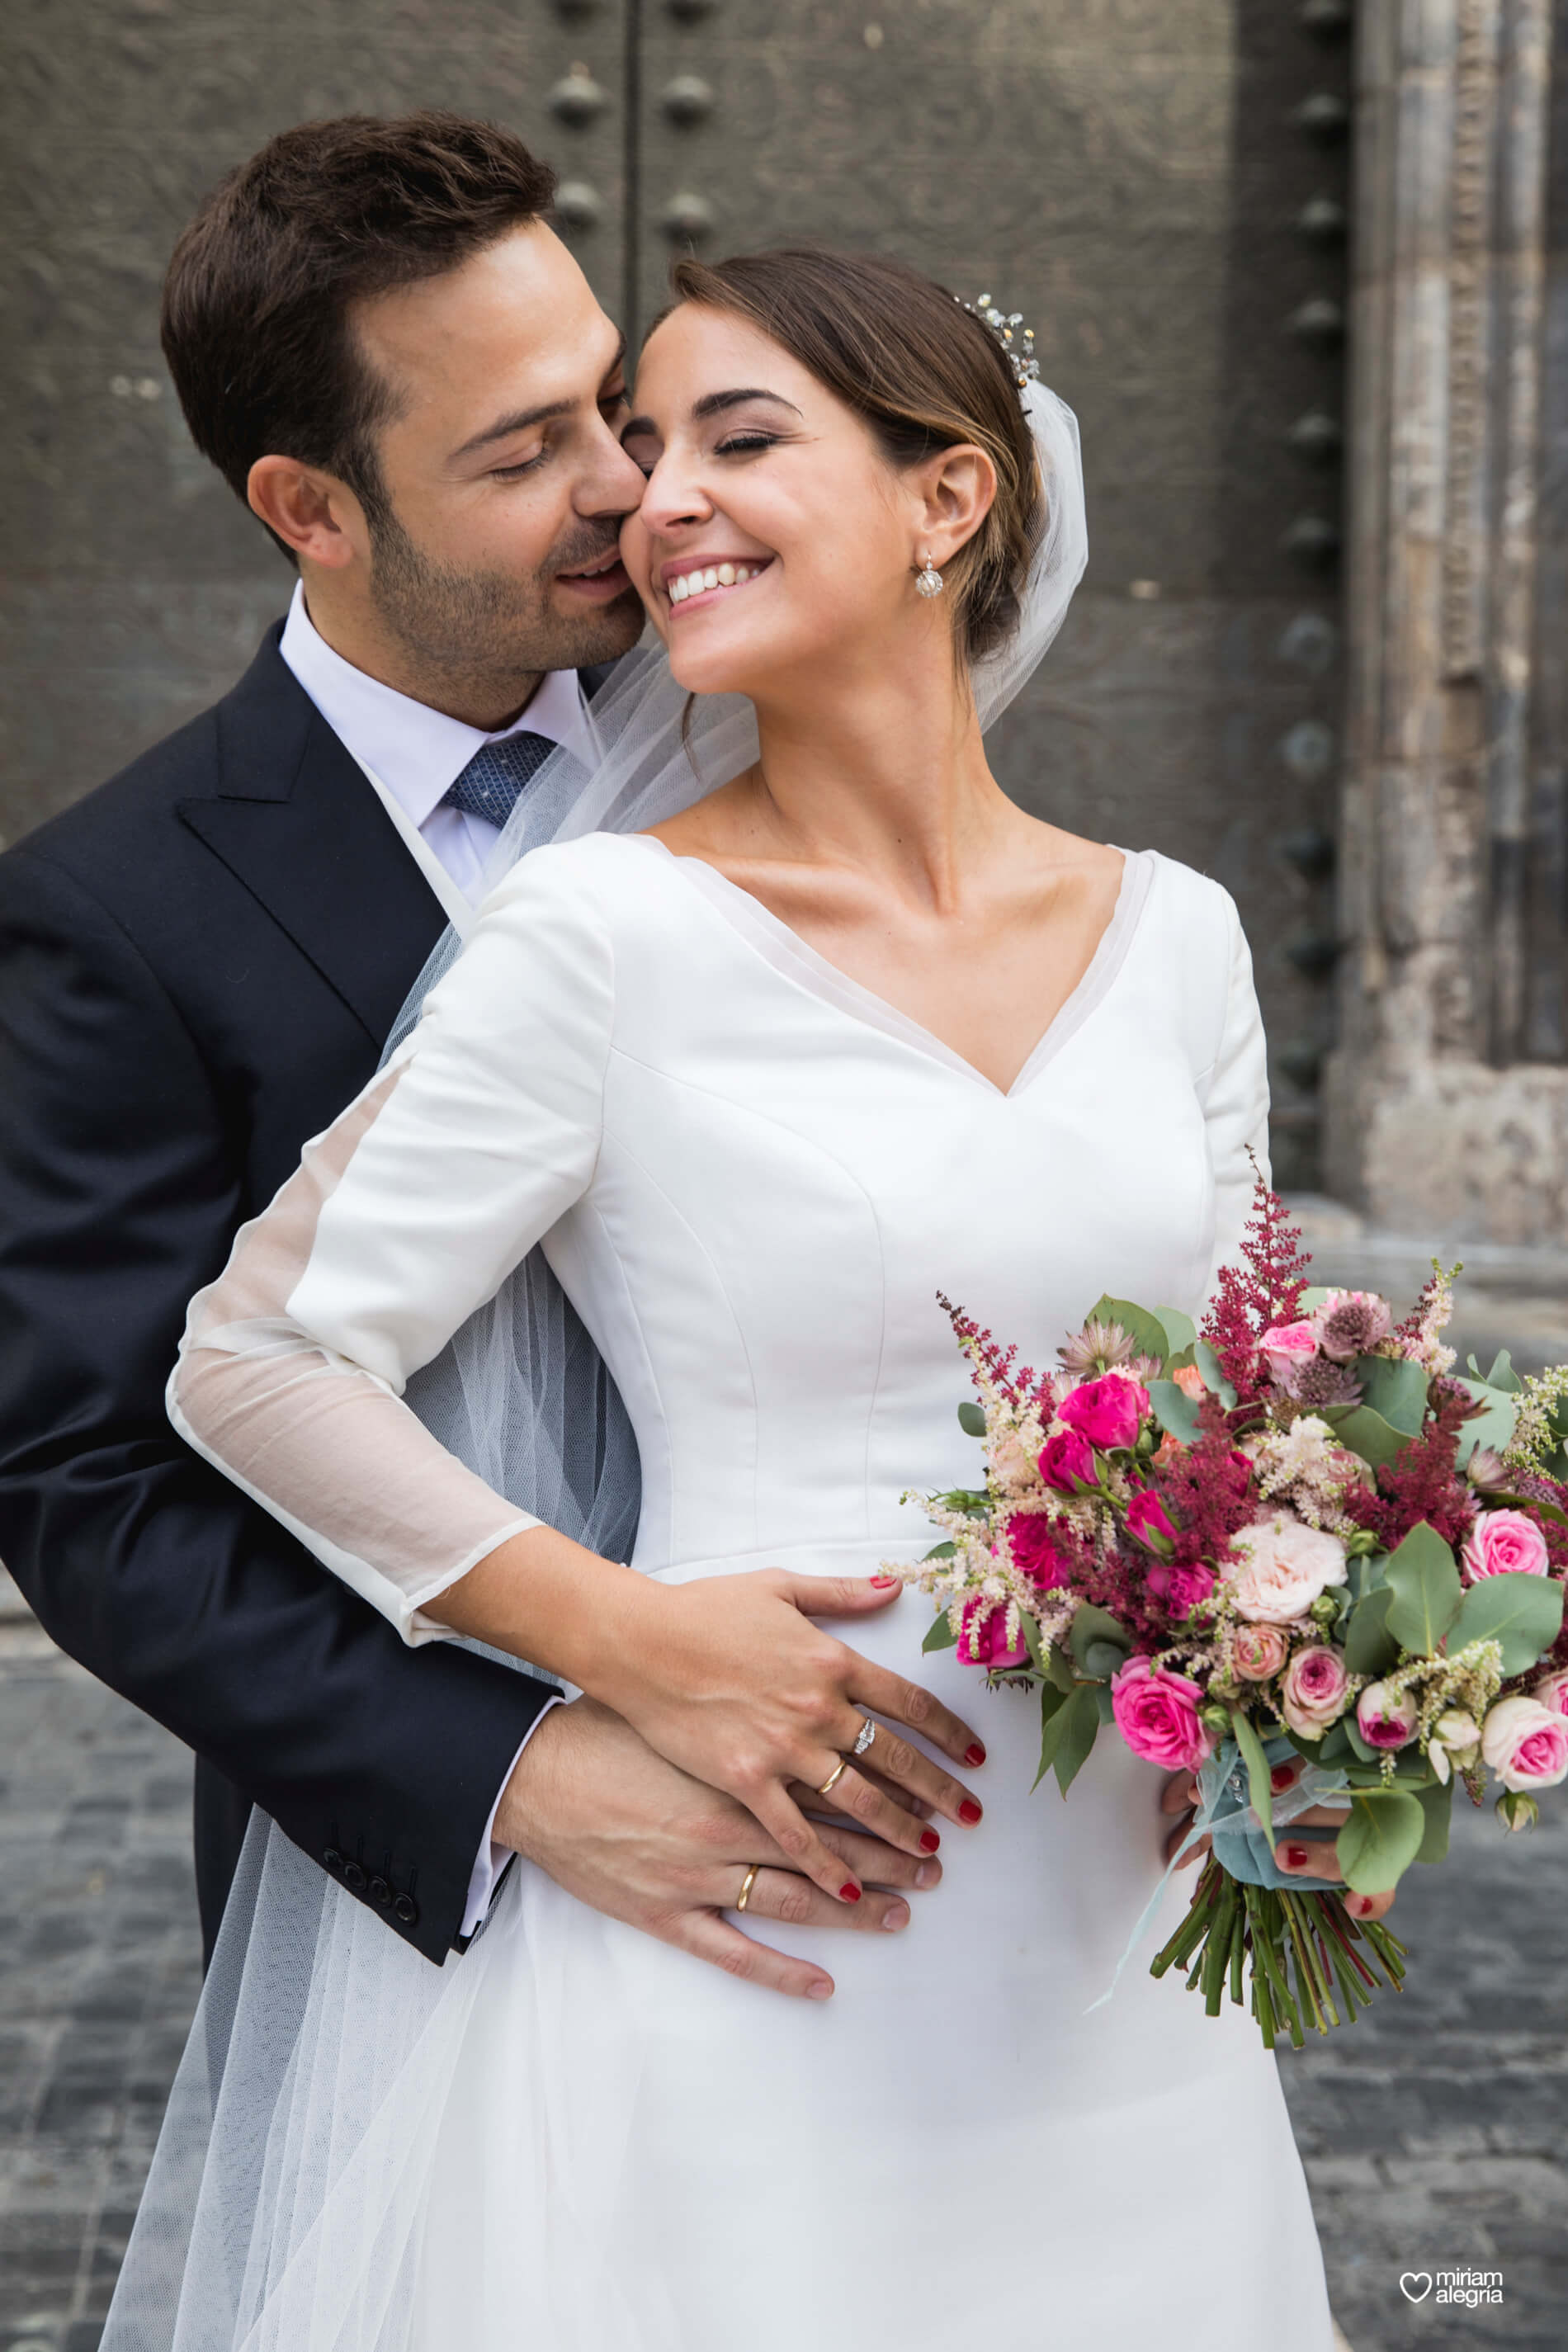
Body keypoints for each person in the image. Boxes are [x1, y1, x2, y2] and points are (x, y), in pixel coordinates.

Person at [103, 244, 1381, 2350]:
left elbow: (1247, 1409)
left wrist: (1317, 1705)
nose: (647, 497)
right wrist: (607, 1636)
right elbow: (254, 1358)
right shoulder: (603, 935)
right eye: (636, 439)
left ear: (945, 502)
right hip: (762, 1928)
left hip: (1122, 1959)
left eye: (736, 436)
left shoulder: (1180, 937)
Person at [0, 113, 945, 1993]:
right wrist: (525, 1768)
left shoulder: (775, 697)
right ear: (310, 509)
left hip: (896, 1749)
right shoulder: (104, 913)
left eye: (611, 402)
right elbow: (90, 1487)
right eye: (525, 453)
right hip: (458, 1868)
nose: (630, 487)